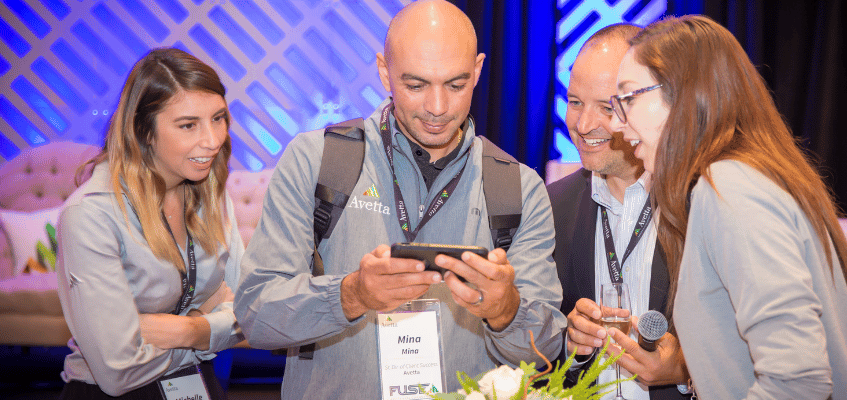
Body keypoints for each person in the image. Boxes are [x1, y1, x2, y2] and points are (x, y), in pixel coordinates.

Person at [233, 1, 565, 398]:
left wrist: (505, 311)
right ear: (383, 70)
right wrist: (350, 294)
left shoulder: (520, 188)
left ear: (477, 70)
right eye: (416, 85)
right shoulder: (317, 160)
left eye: (456, 85)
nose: (438, 108)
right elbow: (256, 315)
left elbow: (546, 352)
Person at [608, 15, 847, 399]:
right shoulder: (745, 178)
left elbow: (798, 383)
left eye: (630, 98)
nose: (618, 124)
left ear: (684, 93)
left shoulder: (731, 187)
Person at [55, 48, 244, 399]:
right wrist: (211, 328)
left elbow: (250, 311)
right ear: (144, 132)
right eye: (189, 125)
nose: (213, 140)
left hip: (198, 386)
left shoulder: (211, 194)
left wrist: (186, 331)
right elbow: (117, 370)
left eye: (218, 118)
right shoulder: (92, 214)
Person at [548, 24, 690, 400]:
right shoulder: (551, 206)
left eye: (607, 107)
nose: (583, 125)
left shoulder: (698, 204)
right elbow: (533, 351)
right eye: (575, 101)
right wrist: (571, 344)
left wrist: (685, 371)